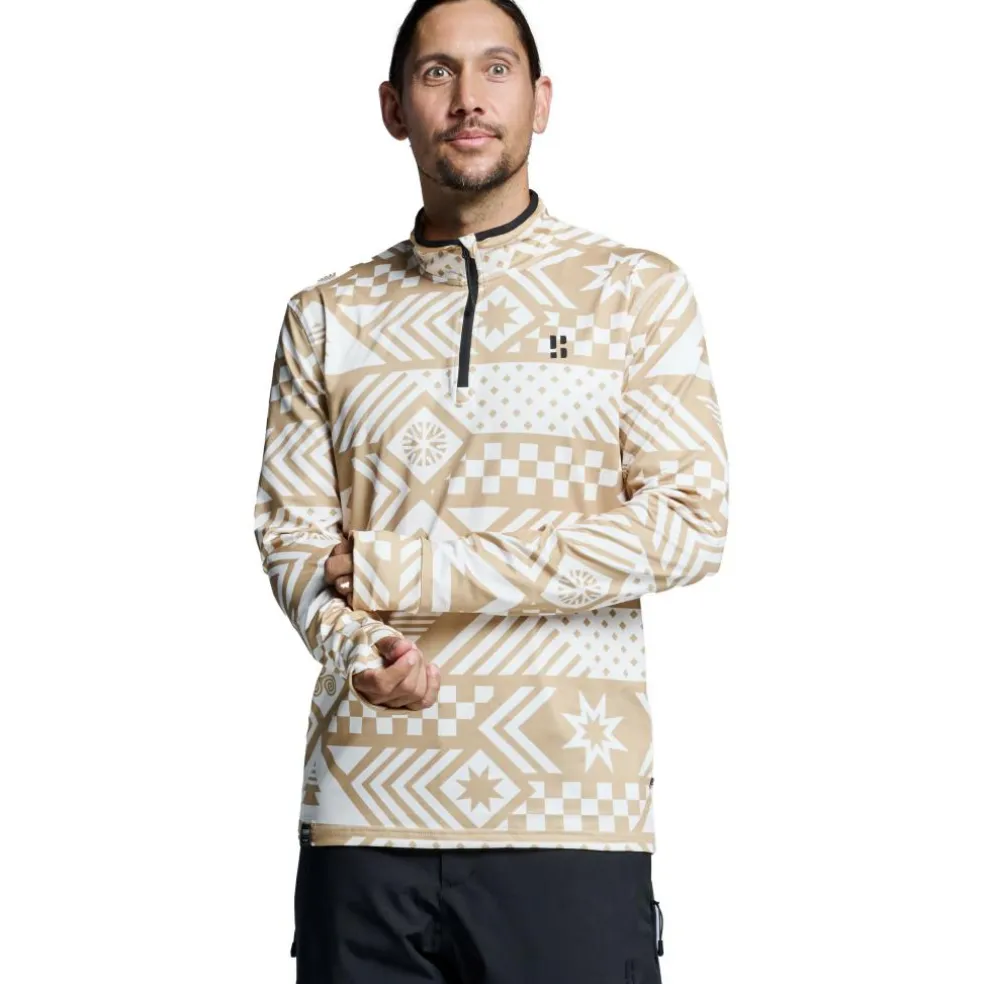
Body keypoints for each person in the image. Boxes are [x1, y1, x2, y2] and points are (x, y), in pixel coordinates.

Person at [252, 0, 729, 980]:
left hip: (571, 817)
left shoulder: (634, 292)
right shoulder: (325, 316)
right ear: (394, 107)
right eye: (437, 73)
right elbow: (294, 542)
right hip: (362, 817)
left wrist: (418, 571)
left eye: (496, 69)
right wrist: (361, 646)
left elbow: (687, 527)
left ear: (541, 100)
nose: (468, 98)